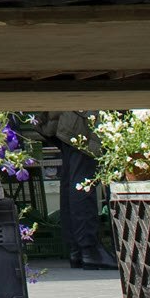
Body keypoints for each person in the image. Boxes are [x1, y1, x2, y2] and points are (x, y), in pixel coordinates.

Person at [31, 111, 117, 270]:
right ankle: (89, 249)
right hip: (80, 113)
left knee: (72, 176)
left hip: (65, 112)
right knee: (83, 177)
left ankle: (77, 250)